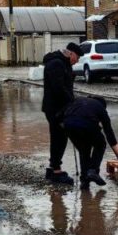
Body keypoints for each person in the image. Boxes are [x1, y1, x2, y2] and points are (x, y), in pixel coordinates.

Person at [41, 42, 83, 185]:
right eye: (77, 57)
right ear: (70, 53)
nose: (77, 61)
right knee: (59, 138)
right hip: (55, 108)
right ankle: (56, 171)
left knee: (60, 137)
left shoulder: (64, 64)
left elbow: (67, 87)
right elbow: (58, 88)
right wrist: (72, 102)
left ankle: (53, 168)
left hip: (61, 107)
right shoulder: (56, 64)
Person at [62, 96, 118, 188]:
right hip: (86, 124)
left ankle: (84, 181)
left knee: (84, 150)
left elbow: (61, 115)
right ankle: (93, 170)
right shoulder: (101, 108)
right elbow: (110, 137)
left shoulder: (77, 101)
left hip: (68, 124)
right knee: (101, 144)